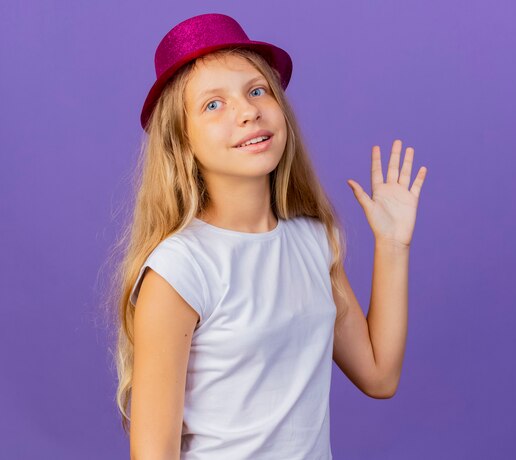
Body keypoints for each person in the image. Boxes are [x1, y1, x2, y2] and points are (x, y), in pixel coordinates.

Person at [111, 12, 427, 460]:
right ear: (182, 144)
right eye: (213, 105)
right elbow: (153, 453)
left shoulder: (313, 241)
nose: (247, 111)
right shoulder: (180, 269)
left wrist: (393, 245)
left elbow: (379, 376)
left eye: (257, 90)